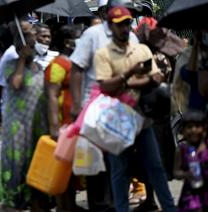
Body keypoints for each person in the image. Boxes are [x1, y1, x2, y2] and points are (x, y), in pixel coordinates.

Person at [94, 6, 176, 212]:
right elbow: (105, 86)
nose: (124, 28)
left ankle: (169, 208)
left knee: (155, 167)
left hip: (143, 118)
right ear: (110, 26)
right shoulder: (103, 54)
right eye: (119, 24)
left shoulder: (142, 49)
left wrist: (125, 82)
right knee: (120, 170)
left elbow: (156, 78)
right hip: (117, 121)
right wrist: (132, 73)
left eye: (127, 23)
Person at [69, 0, 140, 210]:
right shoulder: (92, 35)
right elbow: (77, 68)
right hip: (94, 108)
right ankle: (100, 205)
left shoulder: (132, 35)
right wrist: (75, 105)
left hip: (122, 108)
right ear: (104, 13)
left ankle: (118, 204)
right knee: (96, 165)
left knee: (121, 162)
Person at [0, 22, 49, 211]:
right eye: (30, 43)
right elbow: (15, 83)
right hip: (17, 123)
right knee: (16, 162)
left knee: (33, 161)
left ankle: (30, 197)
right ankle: (12, 199)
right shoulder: (11, 62)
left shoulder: (38, 66)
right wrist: (21, 61)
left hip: (36, 122)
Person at [45, 25, 82, 211]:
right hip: (63, 123)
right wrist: (54, 127)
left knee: (72, 167)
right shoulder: (58, 65)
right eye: (78, 37)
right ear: (68, 43)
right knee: (63, 168)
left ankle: (71, 205)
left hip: (74, 123)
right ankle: (63, 207)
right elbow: (51, 95)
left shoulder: (74, 62)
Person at [174, 110, 208, 212]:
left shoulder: (206, 148)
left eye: (197, 126)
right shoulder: (181, 150)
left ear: (204, 129)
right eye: (189, 127)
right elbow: (176, 172)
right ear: (182, 131)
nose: (193, 130)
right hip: (190, 195)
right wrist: (186, 174)